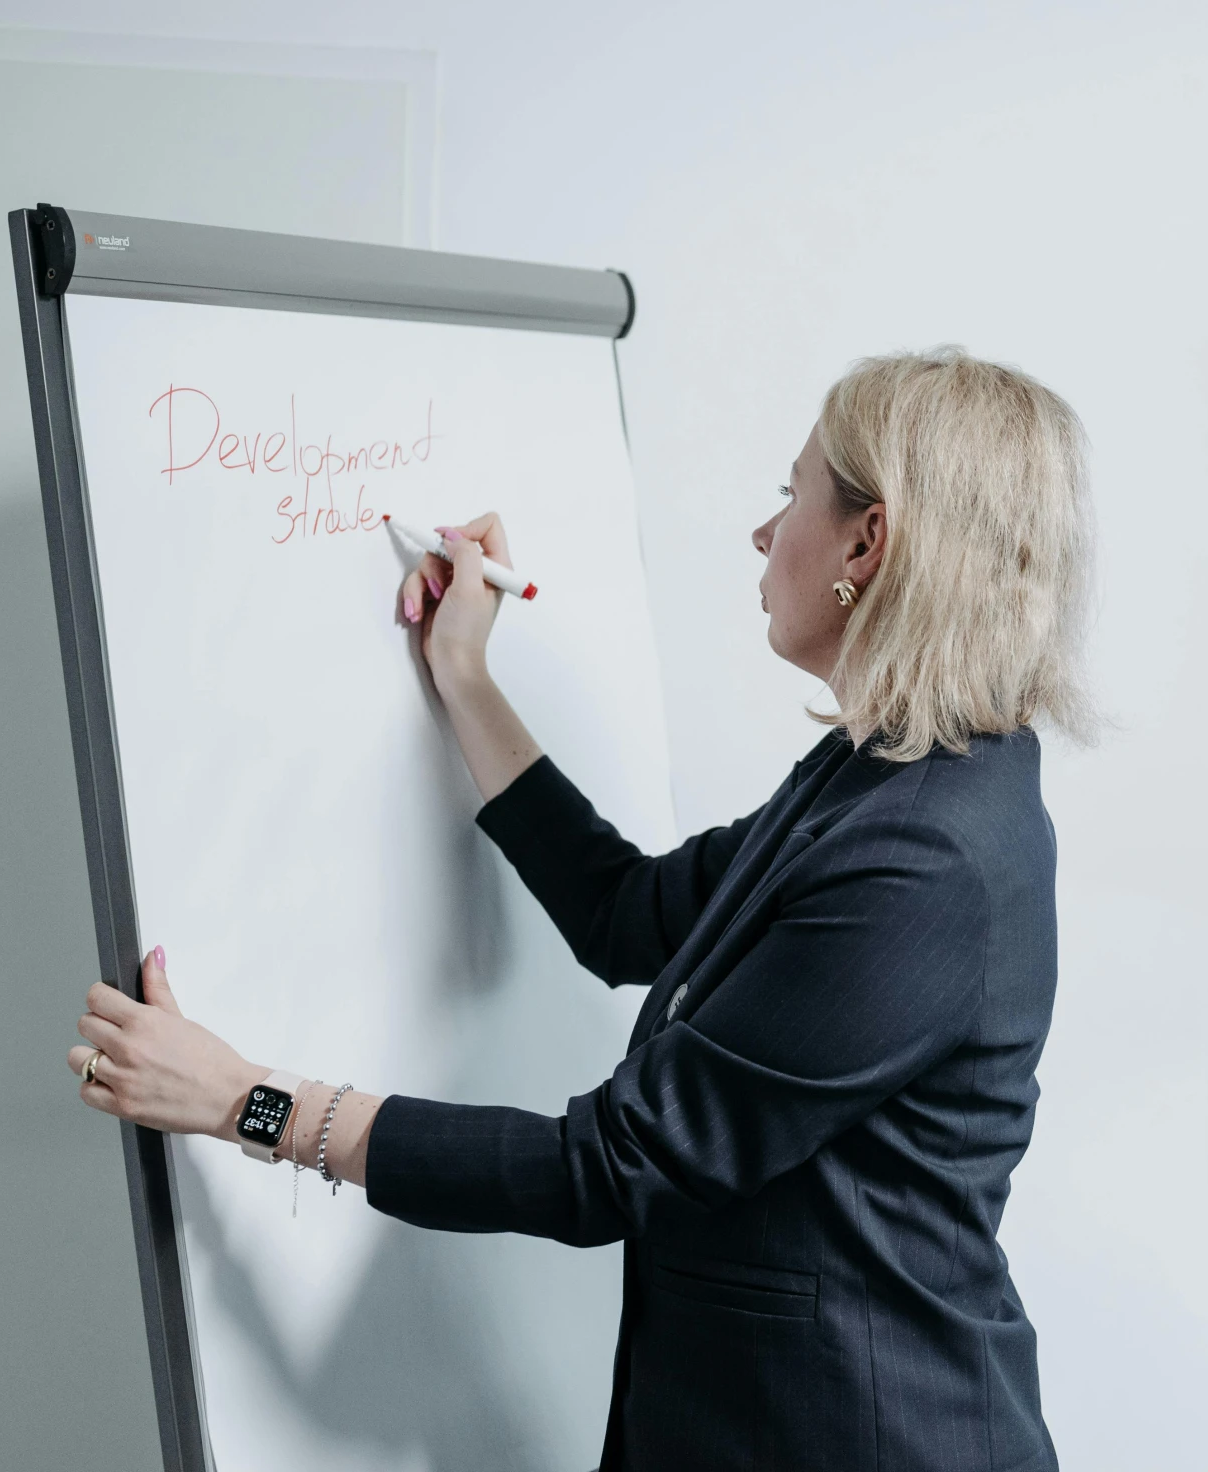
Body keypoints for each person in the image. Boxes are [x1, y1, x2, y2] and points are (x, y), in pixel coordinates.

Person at [65, 348, 1093, 1472]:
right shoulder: (882, 776)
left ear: (866, 542)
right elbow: (627, 911)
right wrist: (464, 674)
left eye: (790, 491)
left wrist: (243, 1101)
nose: (764, 532)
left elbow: (606, 1164)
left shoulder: (924, 856)